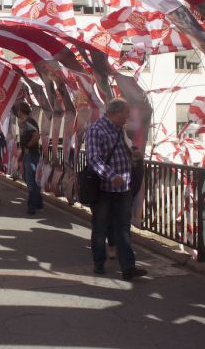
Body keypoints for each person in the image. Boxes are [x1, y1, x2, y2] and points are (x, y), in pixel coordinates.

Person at [85, 98, 147, 280]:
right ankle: (99, 263)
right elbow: (93, 159)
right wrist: (112, 176)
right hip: (104, 189)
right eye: (126, 113)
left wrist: (133, 154)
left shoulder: (119, 130)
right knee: (100, 228)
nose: (128, 117)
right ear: (116, 113)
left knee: (123, 229)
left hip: (123, 189)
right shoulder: (96, 130)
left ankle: (128, 267)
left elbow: (120, 152)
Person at [16, 102, 43, 214]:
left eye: (18, 110)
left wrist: (27, 146)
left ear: (21, 111)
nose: (17, 112)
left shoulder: (28, 122)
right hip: (29, 154)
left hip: (30, 154)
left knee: (30, 180)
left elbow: (36, 136)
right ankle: (38, 202)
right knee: (32, 179)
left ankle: (32, 205)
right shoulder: (25, 122)